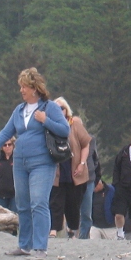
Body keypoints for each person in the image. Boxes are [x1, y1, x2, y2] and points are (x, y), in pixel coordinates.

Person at [0, 68, 70, 259]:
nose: (21, 90)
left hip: (42, 163)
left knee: (38, 202)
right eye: (20, 87)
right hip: (20, 163)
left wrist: (46, 121)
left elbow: (65, 130)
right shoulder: (19, 110)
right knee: (22, 204)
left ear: (34, 88)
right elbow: (7, 131)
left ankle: (41, 247)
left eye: (24, 87)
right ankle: (24, 245)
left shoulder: (50, 107)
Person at [48, 97, 91, 239]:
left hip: (74, 170)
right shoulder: (48, 125)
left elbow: (86, 143)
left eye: (62, 108)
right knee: (55, 202)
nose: (60, 110)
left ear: (67, 110)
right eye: (57, 108)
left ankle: (72, 230)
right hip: (56, 171)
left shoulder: (75, 125)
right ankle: (53, 230)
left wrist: (82, 163)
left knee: (74, 203)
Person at [78, 134, 100, 239]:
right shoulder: (65, 136)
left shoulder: (90, 140)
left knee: (86, 212)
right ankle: (71, 235)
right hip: (70, 179)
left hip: (88, 179)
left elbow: (96, 160)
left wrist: (94, 176)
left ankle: (83, 237)